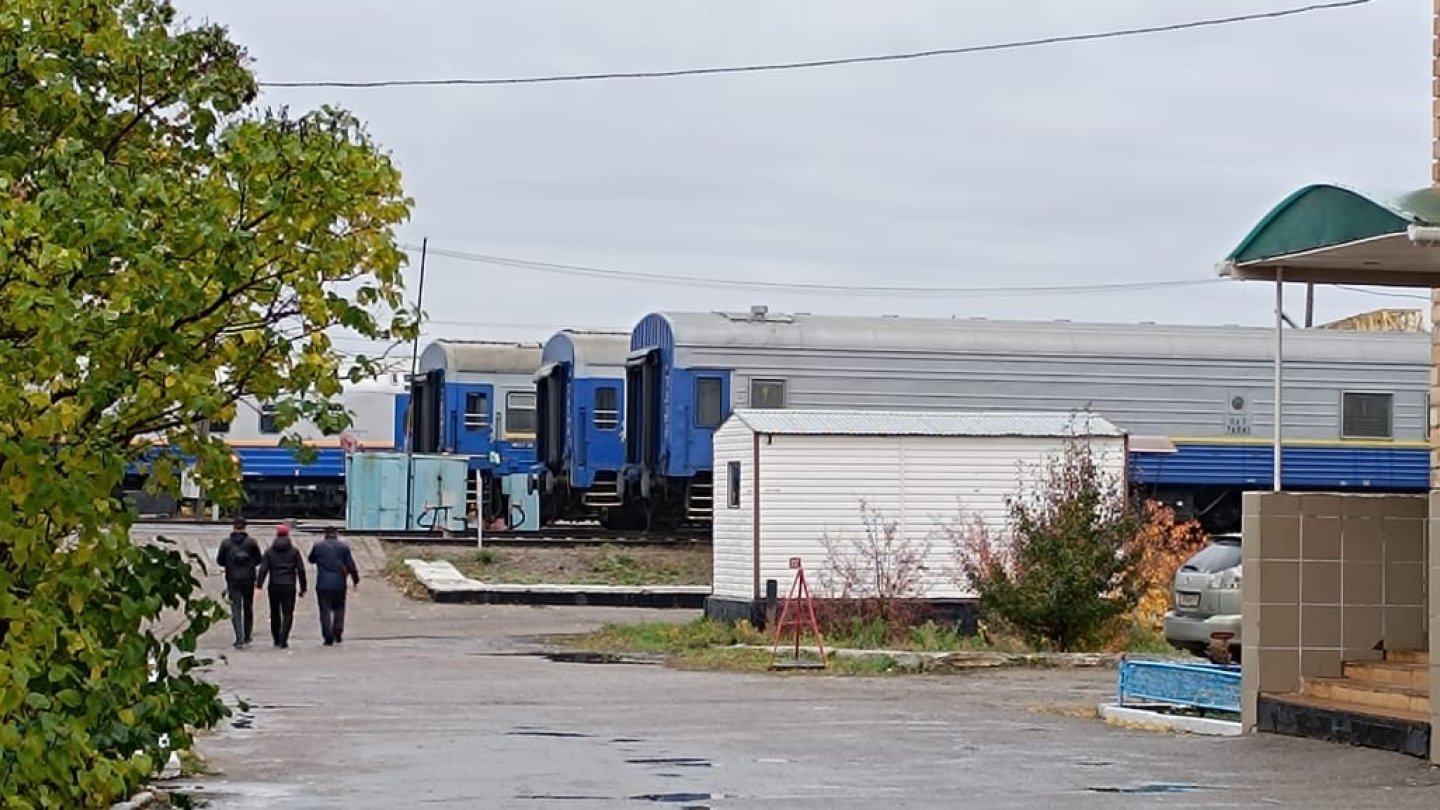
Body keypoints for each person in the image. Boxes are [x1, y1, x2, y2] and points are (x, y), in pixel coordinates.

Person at [256, 524, 308, 649]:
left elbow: (263, 569)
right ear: (287, 535)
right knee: (288, 613)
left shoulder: (269, 551)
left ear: (277, 535)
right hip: (289, 585)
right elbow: (300, 570)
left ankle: (276, 638)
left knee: (274, 612)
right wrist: (303, 587)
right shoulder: (294, 551)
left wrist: (259, 585)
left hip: (274, 585)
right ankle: (283, 639)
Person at [307, 526, 360, 646]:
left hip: (323, 584)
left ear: (325, 534)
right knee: (339, 608)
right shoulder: (344, 547)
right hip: (339, 583)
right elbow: (351, 565)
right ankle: (338, 631)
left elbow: (311, 559)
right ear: (336, 534)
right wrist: (355, 580)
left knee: (324, 610)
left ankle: (328, 636)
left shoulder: (318, 546)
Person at [216, 518, 262, 649]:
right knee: (248, 606)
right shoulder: (252, 543)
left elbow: (220, 560)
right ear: (245, 527)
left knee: (235, 607)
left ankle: (239, 638)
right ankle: (248, 635)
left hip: (232, 578)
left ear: (233, 527)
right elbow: (258, 559)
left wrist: (230, 565)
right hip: (249, 578)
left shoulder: (226, 543)